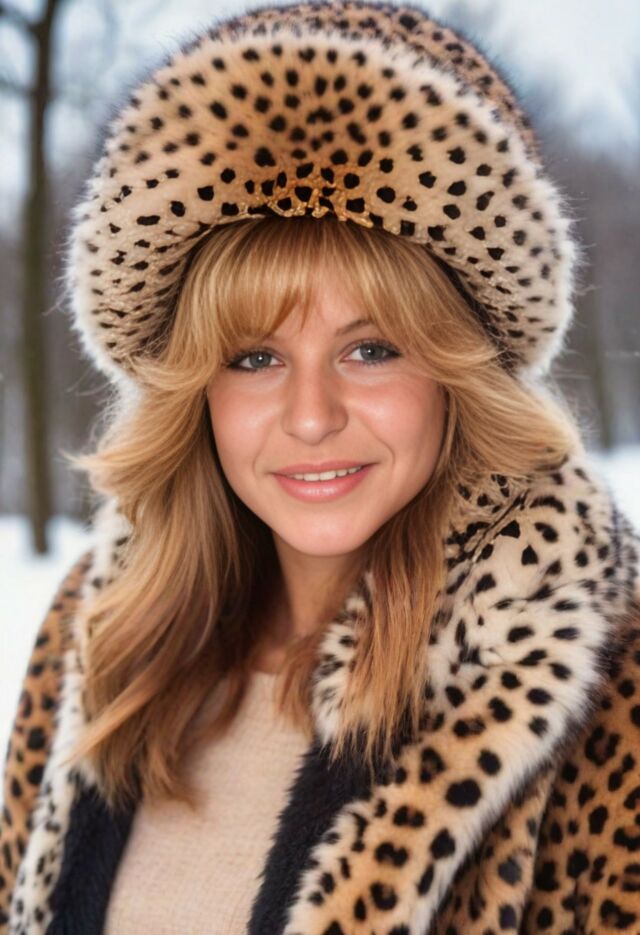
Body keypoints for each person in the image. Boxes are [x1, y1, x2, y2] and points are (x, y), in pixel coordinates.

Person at [2, 2, 639, 932]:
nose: (311, 416)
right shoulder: (106, 631)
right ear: (196, 388)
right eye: (255, 357)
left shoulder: (597, 674)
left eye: (371, 349)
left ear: (459, 369)